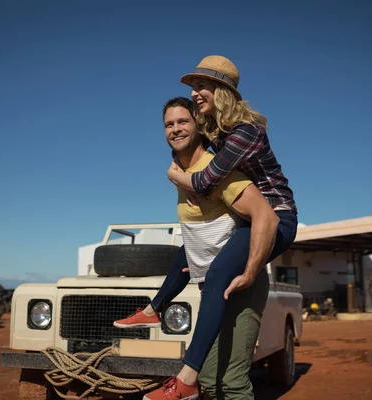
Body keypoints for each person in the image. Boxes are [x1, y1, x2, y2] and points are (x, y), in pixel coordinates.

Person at [116, 55, 298, 398]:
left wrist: (174, 175)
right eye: (194, 87)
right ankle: (155, 309)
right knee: (190, 248)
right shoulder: (220, 133)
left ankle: (184, 378)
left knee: (215, 278)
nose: (196, 92)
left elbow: (207, 179)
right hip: (248, 219)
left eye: (202, 85)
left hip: (276, 217)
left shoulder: (243, 132)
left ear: (222, 90)